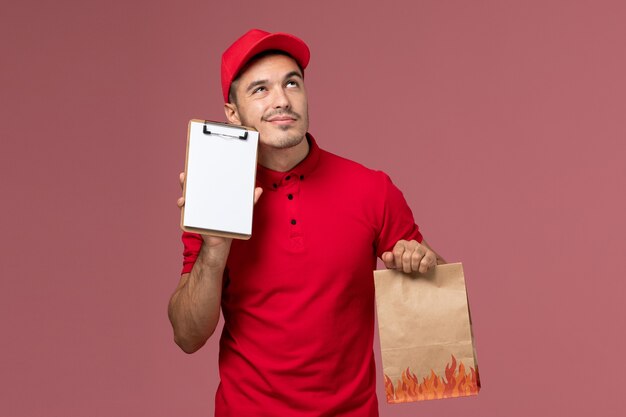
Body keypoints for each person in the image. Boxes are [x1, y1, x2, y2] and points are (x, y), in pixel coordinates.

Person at [168, 29, 445, 417]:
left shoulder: (371, 189)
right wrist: (214, 248)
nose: (282, 100)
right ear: (233, 113)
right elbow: (187, 336)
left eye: (291, 83)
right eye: (260, 89)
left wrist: (423, 262)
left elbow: (436, 304)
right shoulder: (215, 194)